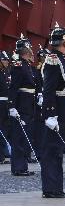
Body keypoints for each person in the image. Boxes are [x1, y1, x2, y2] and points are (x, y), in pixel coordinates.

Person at [39, 25, 65, 198]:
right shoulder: (53, 59)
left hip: (62, 106)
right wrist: (50, 113)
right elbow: (49, 89)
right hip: (55, 109)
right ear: (64, 42)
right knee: (51, 149)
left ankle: (56, 187)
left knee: (57, 149)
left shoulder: (61, 58)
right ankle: (50, 188)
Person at [8, 36, 37, 176]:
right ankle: (18, 168)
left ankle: (23, 166)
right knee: (19, 137)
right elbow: (14, 88)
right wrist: (12, 106)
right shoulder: (19, 65)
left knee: (25, 136)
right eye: (30, 48)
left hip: (28, 105)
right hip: (21, 106)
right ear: (25, 49)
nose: (32, 51)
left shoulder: (26, 65)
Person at [0, 51, 11, 165]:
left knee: (4, 129)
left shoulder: (5, 73)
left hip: (5, 104)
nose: (7, 61)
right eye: (4, 59)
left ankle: (3, 154)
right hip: (0, 103)